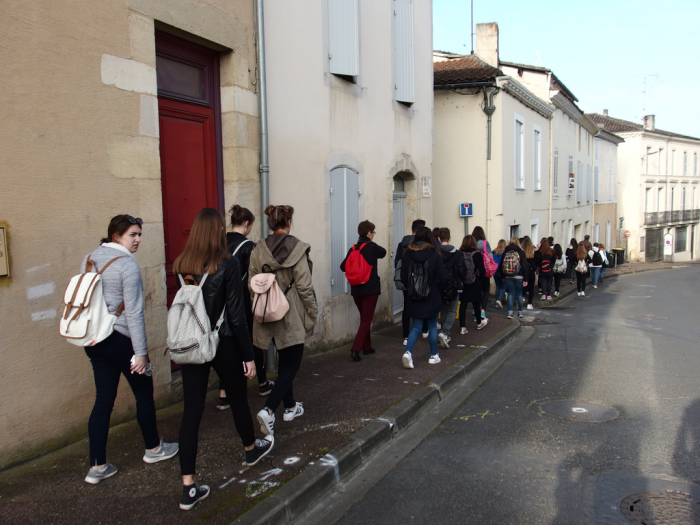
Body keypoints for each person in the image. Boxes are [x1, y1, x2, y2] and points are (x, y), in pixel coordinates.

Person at [174, 208, 273, 511]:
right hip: (223, 342)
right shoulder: (227, 265)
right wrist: (249, 356)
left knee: (191, 412)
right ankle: (250, 448)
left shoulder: (181, 264)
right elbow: (237, 316)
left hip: (193, 341)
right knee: (239, 400)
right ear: (218, 231)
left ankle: (188, 487)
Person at [82, 215, 179, 486]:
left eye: (139, 235)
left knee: (103, 400)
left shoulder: (89, 258)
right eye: (132, 235)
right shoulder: (127, 265)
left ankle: (97, 466)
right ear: (116, 236)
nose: (137, 240)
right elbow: (134, 313)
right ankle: (154, 449)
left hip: (94, 339)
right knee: (144, 394)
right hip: (121, 338)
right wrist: (141, 353)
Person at [252, 205, 318, 436]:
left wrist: (259, 306)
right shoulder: (297, 248)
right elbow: (304, 287)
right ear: (289, 222)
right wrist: (312, 312)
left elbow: (252, 282)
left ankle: (290, 406)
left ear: (270, 223)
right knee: (292, 363)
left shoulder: (258, 248)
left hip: (265, 311)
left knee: (285, 360)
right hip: (290, 313)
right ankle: (269, 410)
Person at [217, 205, 273, 412]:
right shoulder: (250, 247)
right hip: (243, 302)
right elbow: (256, 278)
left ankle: (223, 395)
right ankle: (262, 383)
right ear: (247, 224)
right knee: (254, 342)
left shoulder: (219, 243)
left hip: (220, 304)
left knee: (226, 346)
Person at [400, 227, 449, 369]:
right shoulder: (434, 254)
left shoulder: (407, 254)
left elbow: (403, 277)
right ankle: (433, 356)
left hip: (413, 296)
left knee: (416, 326)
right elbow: (444, 277)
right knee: (432, 326)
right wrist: (438, 288)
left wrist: (412, 288)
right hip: (432, 295)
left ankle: (408, 353)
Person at [340, 220, 387, 361]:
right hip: (370, 290)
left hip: (356, 290)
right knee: (366, 320)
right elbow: (384, 252)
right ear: (368, 233)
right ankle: (356, 349)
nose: (373, 235)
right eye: (373, 232)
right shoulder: (372, 247)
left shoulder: (353, 248)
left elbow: (343, 266)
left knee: (364, 319)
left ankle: (367, 347)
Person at [395, 219, 428, 345]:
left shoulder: (401, 244)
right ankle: (424, 330)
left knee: (407, 306)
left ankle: (405, 335)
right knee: (423, 303)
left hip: (406, 280)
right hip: (420, 279)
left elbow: (397, 262)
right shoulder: (423, 245)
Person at [436, 228, 467, 348]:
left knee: (443, 309)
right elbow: (462, 271)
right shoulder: (458, 254)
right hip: (454, 285)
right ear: (450, 238)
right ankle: (445, 332)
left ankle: (445, 334)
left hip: (440, 285)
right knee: (453, 310)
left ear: (439, 239)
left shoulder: (435, 253)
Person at [458, 235, 487, 332]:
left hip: (463, 282)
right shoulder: (478, 254)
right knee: (476, 303)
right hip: (475, 281)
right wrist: (479, 278)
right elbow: (482, 271)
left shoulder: (459, 254)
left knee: (463, 304)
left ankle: (462, 327)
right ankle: (479, 323)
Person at [498, 237, 529, 319]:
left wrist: (503, 276)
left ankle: (510, 312)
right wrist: (526, 279)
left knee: (511, 293)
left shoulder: (506, 252)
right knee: (519, 294)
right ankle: (520, 312)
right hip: (519, 276)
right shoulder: (521, 252)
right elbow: (525, 266)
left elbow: (501, 265)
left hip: (508, 275)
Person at [472, 226, 492, 320]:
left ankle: (475, 309)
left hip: (474, 271)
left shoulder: (471, 243)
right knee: (486, 290)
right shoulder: (485, 243)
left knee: (476, 290)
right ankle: (483, 311)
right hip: (484, 270)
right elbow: (490, 256)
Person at [521, 238, 536, 310]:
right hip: (531, 273)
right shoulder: (533, 254)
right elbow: (535, 266)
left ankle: (521, 300)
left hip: (523, 273)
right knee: (531, 288)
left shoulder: (521, 254)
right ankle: (529, 303)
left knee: (522, 287)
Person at [493, 239, 507, 309]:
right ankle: (499, 300)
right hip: (502, 272)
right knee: (504, 287)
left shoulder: (495, 253)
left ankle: (496, 302)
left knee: (498, 287)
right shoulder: (504, 253)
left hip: (495, 272)